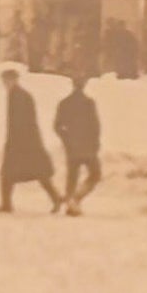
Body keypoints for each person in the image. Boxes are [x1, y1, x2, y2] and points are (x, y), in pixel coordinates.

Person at [0, 67, 64, 214]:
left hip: (22, 142)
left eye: (6, 80)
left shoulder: (17, 96)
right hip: (28, 141)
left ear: (13, 80)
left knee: (9, 173)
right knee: (38, 173)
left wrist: (14, 141)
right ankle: (55, 198)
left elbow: (20, 121)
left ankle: (7, 205)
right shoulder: (18, 94)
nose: (4, 84)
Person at [54, 76, 103, 215]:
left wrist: (66, 139)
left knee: (72, 177)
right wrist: (96, 143)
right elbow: (95, 126)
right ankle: (76, 198)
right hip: (88, 146)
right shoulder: (89, 103)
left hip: (72, 147)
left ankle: (71, 202)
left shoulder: (64, 103)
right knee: (95, 174)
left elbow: (57, 126)